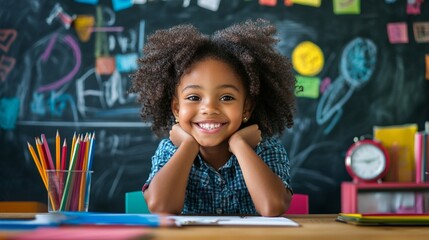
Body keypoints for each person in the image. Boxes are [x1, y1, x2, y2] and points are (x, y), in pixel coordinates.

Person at [129, 19, 296, 217]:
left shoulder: (266, 149)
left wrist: (240, 144)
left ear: (247, 107)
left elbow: (272, 207)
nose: (209, 108)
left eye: (226, 97)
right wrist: (188, 147)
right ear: (176, 108)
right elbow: (161, 206)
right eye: (193, 97)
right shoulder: (170, 151)